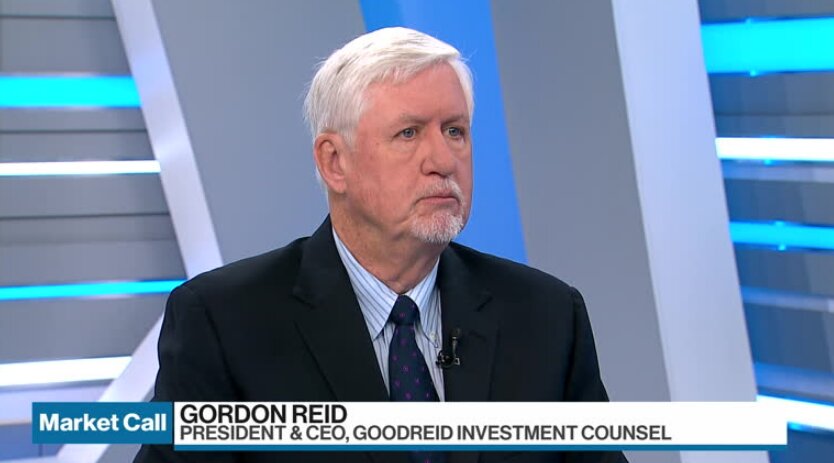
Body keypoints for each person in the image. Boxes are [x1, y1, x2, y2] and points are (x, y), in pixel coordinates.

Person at [135, 27, 626, 463]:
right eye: (408, 133)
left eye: (454, 131)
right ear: (334, 162)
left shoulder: (546, 316)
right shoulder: (224, 322)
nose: (442, 160)